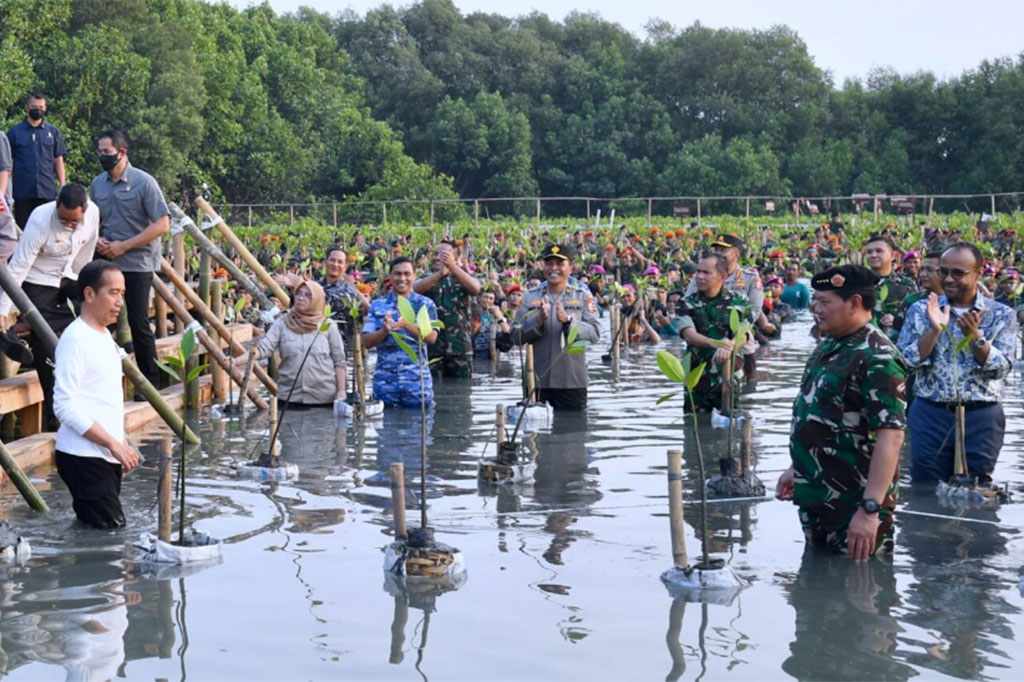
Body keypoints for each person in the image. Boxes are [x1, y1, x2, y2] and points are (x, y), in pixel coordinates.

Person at [776, 265, 907, 560]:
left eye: (825, 302)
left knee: (863, 591)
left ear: (856, 303)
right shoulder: (831, 344)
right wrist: (797, 467)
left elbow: (891, 437)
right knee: (815, 592)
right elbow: (819, 414)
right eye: (815, 300)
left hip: (854, 502)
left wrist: (870, 508)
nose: (815, 309)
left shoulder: (877, 356)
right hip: (817, 492)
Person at [897, 243, 1018, 484]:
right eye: (943, 272)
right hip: (930, 412)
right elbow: (904, 363)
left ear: (978, 274)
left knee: (977, 490)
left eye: (958, 273)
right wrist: (936, 329)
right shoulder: (921, 310)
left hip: (981, 415)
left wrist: (975, 336)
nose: (948, 279)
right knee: (926, 488)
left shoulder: (1001, 314)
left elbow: (1002, 369)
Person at [0, 183, 100, 428]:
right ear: (56, 207)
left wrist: (83, 286)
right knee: (43, 338)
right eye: (63, 219)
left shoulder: (93, 214)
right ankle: (53, 416)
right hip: (39, 278)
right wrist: (2, 309)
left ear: (84, 212)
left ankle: (24, 326)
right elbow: (19, 266)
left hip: (71, 275)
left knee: (97, 304)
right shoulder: (40, 220)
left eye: (74, 221)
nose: (68, 225)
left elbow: (87, 251)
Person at [53, 260, 140, 529]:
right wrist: (113, 445)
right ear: (89, 294)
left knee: (96, 528)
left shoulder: (103, 336)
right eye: (112, 293)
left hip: (103, 452)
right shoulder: (76, 339)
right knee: (111, 534)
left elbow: (103, 399)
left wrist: (122, 444)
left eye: (122, 294)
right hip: (84, 456)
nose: (119, 302)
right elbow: (64, 405)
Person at [89, 130, 169, 386]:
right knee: (98, 317)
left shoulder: (144, 182)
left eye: (107, 152)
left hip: (137, 261)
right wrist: (97, 238)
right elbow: (93, 220)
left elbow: (162, 224)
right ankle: (99, 379)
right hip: (107, 260)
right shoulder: (97, 184)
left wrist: (125, 246)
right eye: (100, 152)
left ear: (121, 152)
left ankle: (150, 383)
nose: (102, 156)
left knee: (138, 320)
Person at [512, 243, 600, 411]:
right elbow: (515, 336)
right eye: (549, 263)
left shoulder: (583, 296)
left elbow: (595, 333)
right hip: (536, 381)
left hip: (571, 382)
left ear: (570, 268)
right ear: (542, 267)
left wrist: (568, 322)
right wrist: (537, 322)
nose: (554, 268)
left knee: (573, 433)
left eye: (560, 264)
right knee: (535, 435)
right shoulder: (530, 297)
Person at [676, 253, 755, 412]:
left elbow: (745, 334)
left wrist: (730, 347)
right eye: (698, 271)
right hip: (696, 377)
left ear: (723, 276)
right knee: (694, 427)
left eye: (706, 273)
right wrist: (716, 344)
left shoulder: (740, 302)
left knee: (730, 424)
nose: (699, 276)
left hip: (729, 376)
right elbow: (688, 334)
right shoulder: (687, 303)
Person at [250, 281, 346, 408]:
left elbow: (339, 361)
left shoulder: (327, 326)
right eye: (298, 294)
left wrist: (341, 391)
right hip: (289, 398)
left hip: (323, 399)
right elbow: (263, 349)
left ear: (316, 300)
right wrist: (236, 361)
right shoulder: (282, 323)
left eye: (307, 295)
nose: (301, 298)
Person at [363, 257, 439, 407]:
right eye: (397, 274)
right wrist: (384, 331)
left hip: (417, 384)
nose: (402, 278)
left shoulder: (425, 304)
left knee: (420, 426)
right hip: (385, 384)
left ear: (414, 276)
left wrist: (407, 325)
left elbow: (432, 337)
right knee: (386, 427)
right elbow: (366, 342)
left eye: (407, 274)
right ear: (390, 276)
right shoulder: (377, 305)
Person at [274, 245, 369, 355]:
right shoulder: (316, 284)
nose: (335, 264)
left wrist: (304, 286)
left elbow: (332, 304)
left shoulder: (349, 288)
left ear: (345, 266)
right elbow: (298, 309)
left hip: (339, 346)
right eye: (332, 260)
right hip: (311, 342)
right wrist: (295, 291)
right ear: (325, 263)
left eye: (340, 262)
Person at [413, 239, 481, 377]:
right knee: (432, 388)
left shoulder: (464, 278)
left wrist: (453, 268)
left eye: (444, 255)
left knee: (462, 391)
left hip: (460, 345)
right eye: (437, 254)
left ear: (455, 257)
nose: (438, 258)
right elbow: (414, 290)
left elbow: (475, 289)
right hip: (432, 346)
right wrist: (439, 275)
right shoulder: (427, 277)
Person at [7, 92, 67, 229]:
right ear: (27, 107)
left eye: (41, 106)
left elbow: (58, 159)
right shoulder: (15, 132)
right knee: (24, 230)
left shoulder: (53, 132)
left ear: (45, 108)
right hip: (23, 192)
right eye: (34, 106)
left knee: (47, 230)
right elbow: (9, 163)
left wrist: (63, 184)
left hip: (47, 191)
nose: (38, 109)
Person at [862, 234, 915, 337]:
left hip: (894, 344)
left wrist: (896, 320)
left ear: (893, 255)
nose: (873, 255)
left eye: (879, 251)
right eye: (869, 252)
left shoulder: (906, 285)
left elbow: (913, 317)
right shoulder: (858, 283)